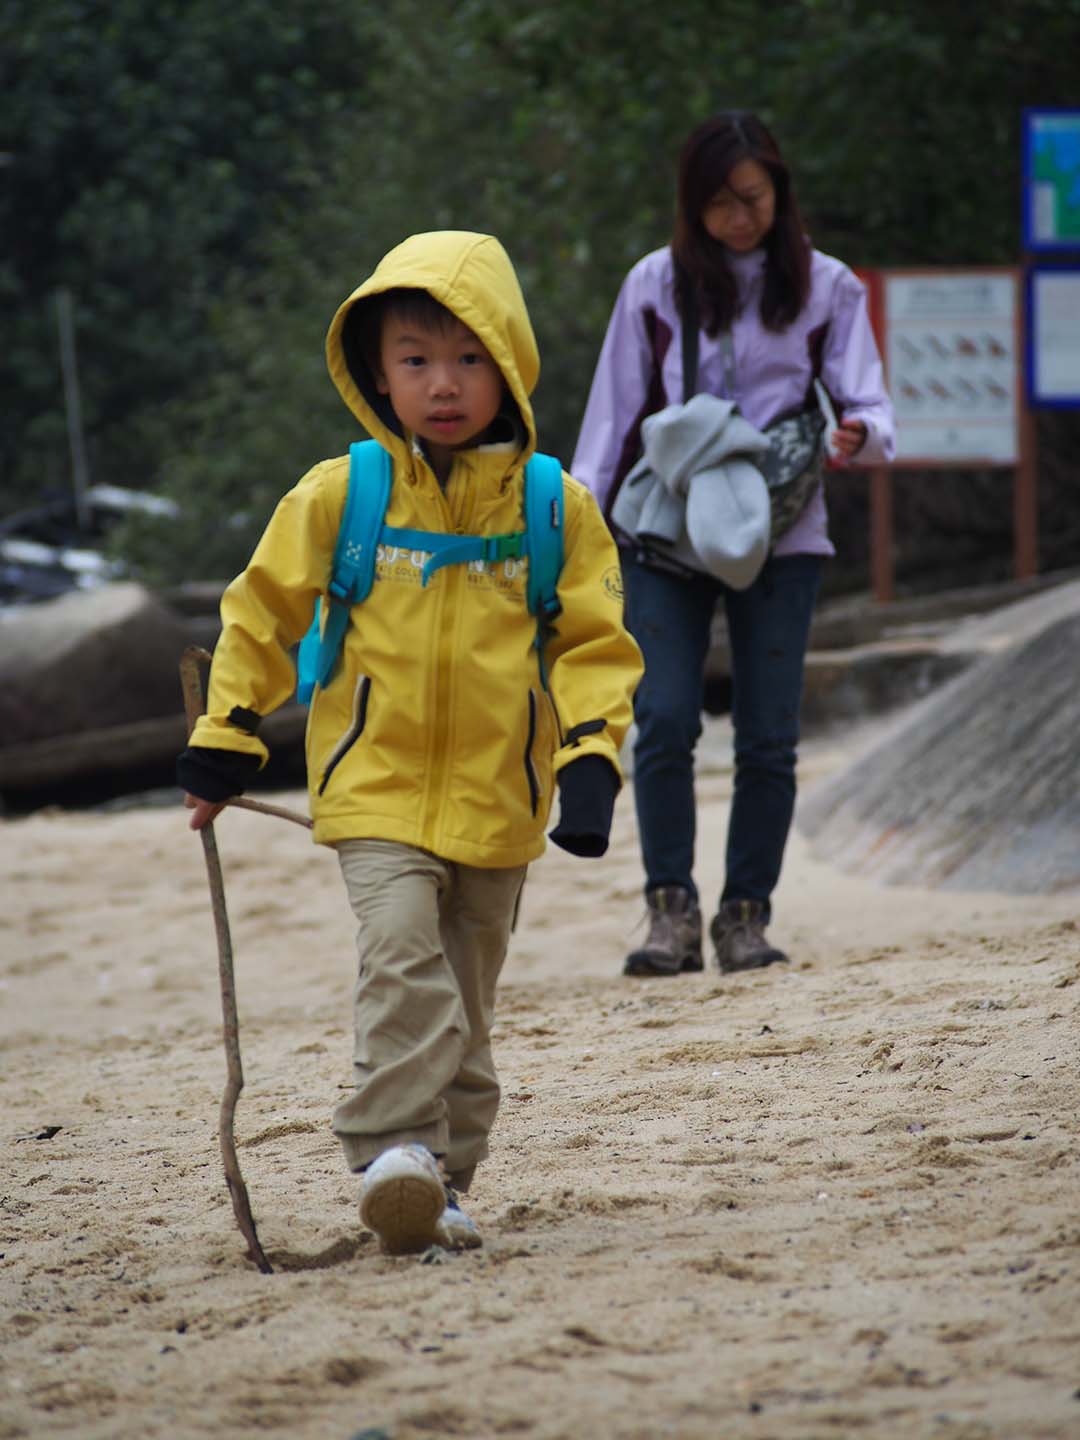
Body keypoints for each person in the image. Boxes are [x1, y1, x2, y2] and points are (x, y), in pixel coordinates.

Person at [177, 231, 643, 1254]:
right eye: (417, 360)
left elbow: (594, 644)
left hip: (500, 799)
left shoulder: (551, 506)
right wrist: (228, 730)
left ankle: (442, 1182)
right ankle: (390, 1146)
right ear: (379, 374)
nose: (443, 384)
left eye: (469, 359)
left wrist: (594, 759)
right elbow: (262, 611)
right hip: (374, 787)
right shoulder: (343, 495)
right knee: (401, 954)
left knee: (467, 1015)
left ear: (509, 364)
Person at [571, 111, 895, 980]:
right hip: (663, 532)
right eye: (718, 203)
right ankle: (668, 912)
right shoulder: (653, 284)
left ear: (780, 193)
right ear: (691, 206)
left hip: (784, 530)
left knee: (768, 735)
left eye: (752, 198)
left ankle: (745, 916)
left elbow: (869, 400)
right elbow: (611, 415)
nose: (738, 218)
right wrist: (575, 525)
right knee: (665, 716)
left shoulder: (827, 286)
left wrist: (860, 433)